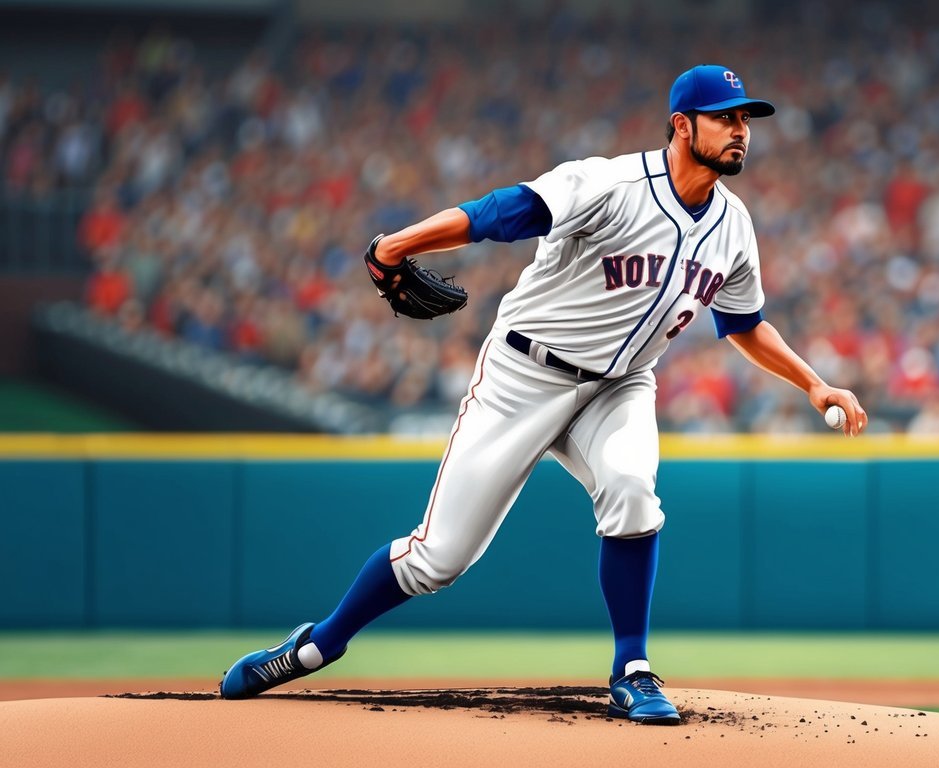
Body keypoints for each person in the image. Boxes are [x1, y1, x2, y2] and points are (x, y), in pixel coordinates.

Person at [219, 64, 868, 725]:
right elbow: (504, 212)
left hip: (619, 385)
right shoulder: (611, 183)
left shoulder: (732, 223)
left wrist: (814, 384)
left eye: (744, 120)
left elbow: (741, 324)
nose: (740, 131)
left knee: (632, 489)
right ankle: (317, 644)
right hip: (523, 377)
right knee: (438, 559)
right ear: (681, 125)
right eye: (725, 117)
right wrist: (396, 244)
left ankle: (632, 669)